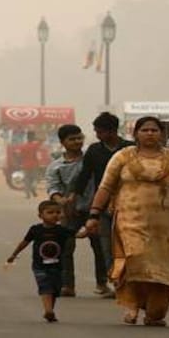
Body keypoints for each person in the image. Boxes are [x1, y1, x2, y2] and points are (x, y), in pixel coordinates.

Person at [85, 116, 169, 326]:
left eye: (154, 130)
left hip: (167, 228)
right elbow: (105, 187)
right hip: (130, 222)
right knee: (133, 263)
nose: (150, 134)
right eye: (145, 130)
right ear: (136, 134)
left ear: (162, 134)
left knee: (162, 269)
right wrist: (94, 214)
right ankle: (132, 306)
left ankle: (154, 312)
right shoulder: (123, 157)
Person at [72, 111, 134, 297]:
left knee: (130, 245)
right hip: (104, 205)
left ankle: (132, 281)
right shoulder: (94, 151)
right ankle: (116, 282)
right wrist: (75, 194)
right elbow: (85, 174)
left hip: (130, 205)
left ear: (111, 131)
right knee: (107, 246)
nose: (97, 135)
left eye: (99, 131)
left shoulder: (130, 149)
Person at [44, 124, 109, 298]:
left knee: (100, 248)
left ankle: (102, 284)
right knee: (66, 248)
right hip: (69, 212)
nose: (77, 142)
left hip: (94, 209)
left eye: (79, 138)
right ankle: (67, 285)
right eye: (72, 139)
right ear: (63, 142)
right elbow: (52, 188)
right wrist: (62, 202)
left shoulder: (93, 159)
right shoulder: (56, 166)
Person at [5, 200, 85, 323]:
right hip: (39, 266)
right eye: (50, 212)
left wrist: (89, 230)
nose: (55, 215)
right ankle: (48, 311)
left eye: (58, 212)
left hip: (57, 266)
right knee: (45, 286)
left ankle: (50, 311)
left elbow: (79, 235)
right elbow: (24, 243)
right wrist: (14, 254)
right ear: (40, 215)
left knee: (55, 289)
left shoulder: (62, 230)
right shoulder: (35, 230)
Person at [16, 131, 43, 199]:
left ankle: (27, 194)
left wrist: (19, 164)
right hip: (34, 165)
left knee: (26, 180)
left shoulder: (23, 146)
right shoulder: (35, 145)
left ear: (27, 137)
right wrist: (36, 138)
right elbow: (42, 139)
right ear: (33, 138)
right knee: (35, 179)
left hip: (25, 165)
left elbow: (19, 156)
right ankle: (32, 188)